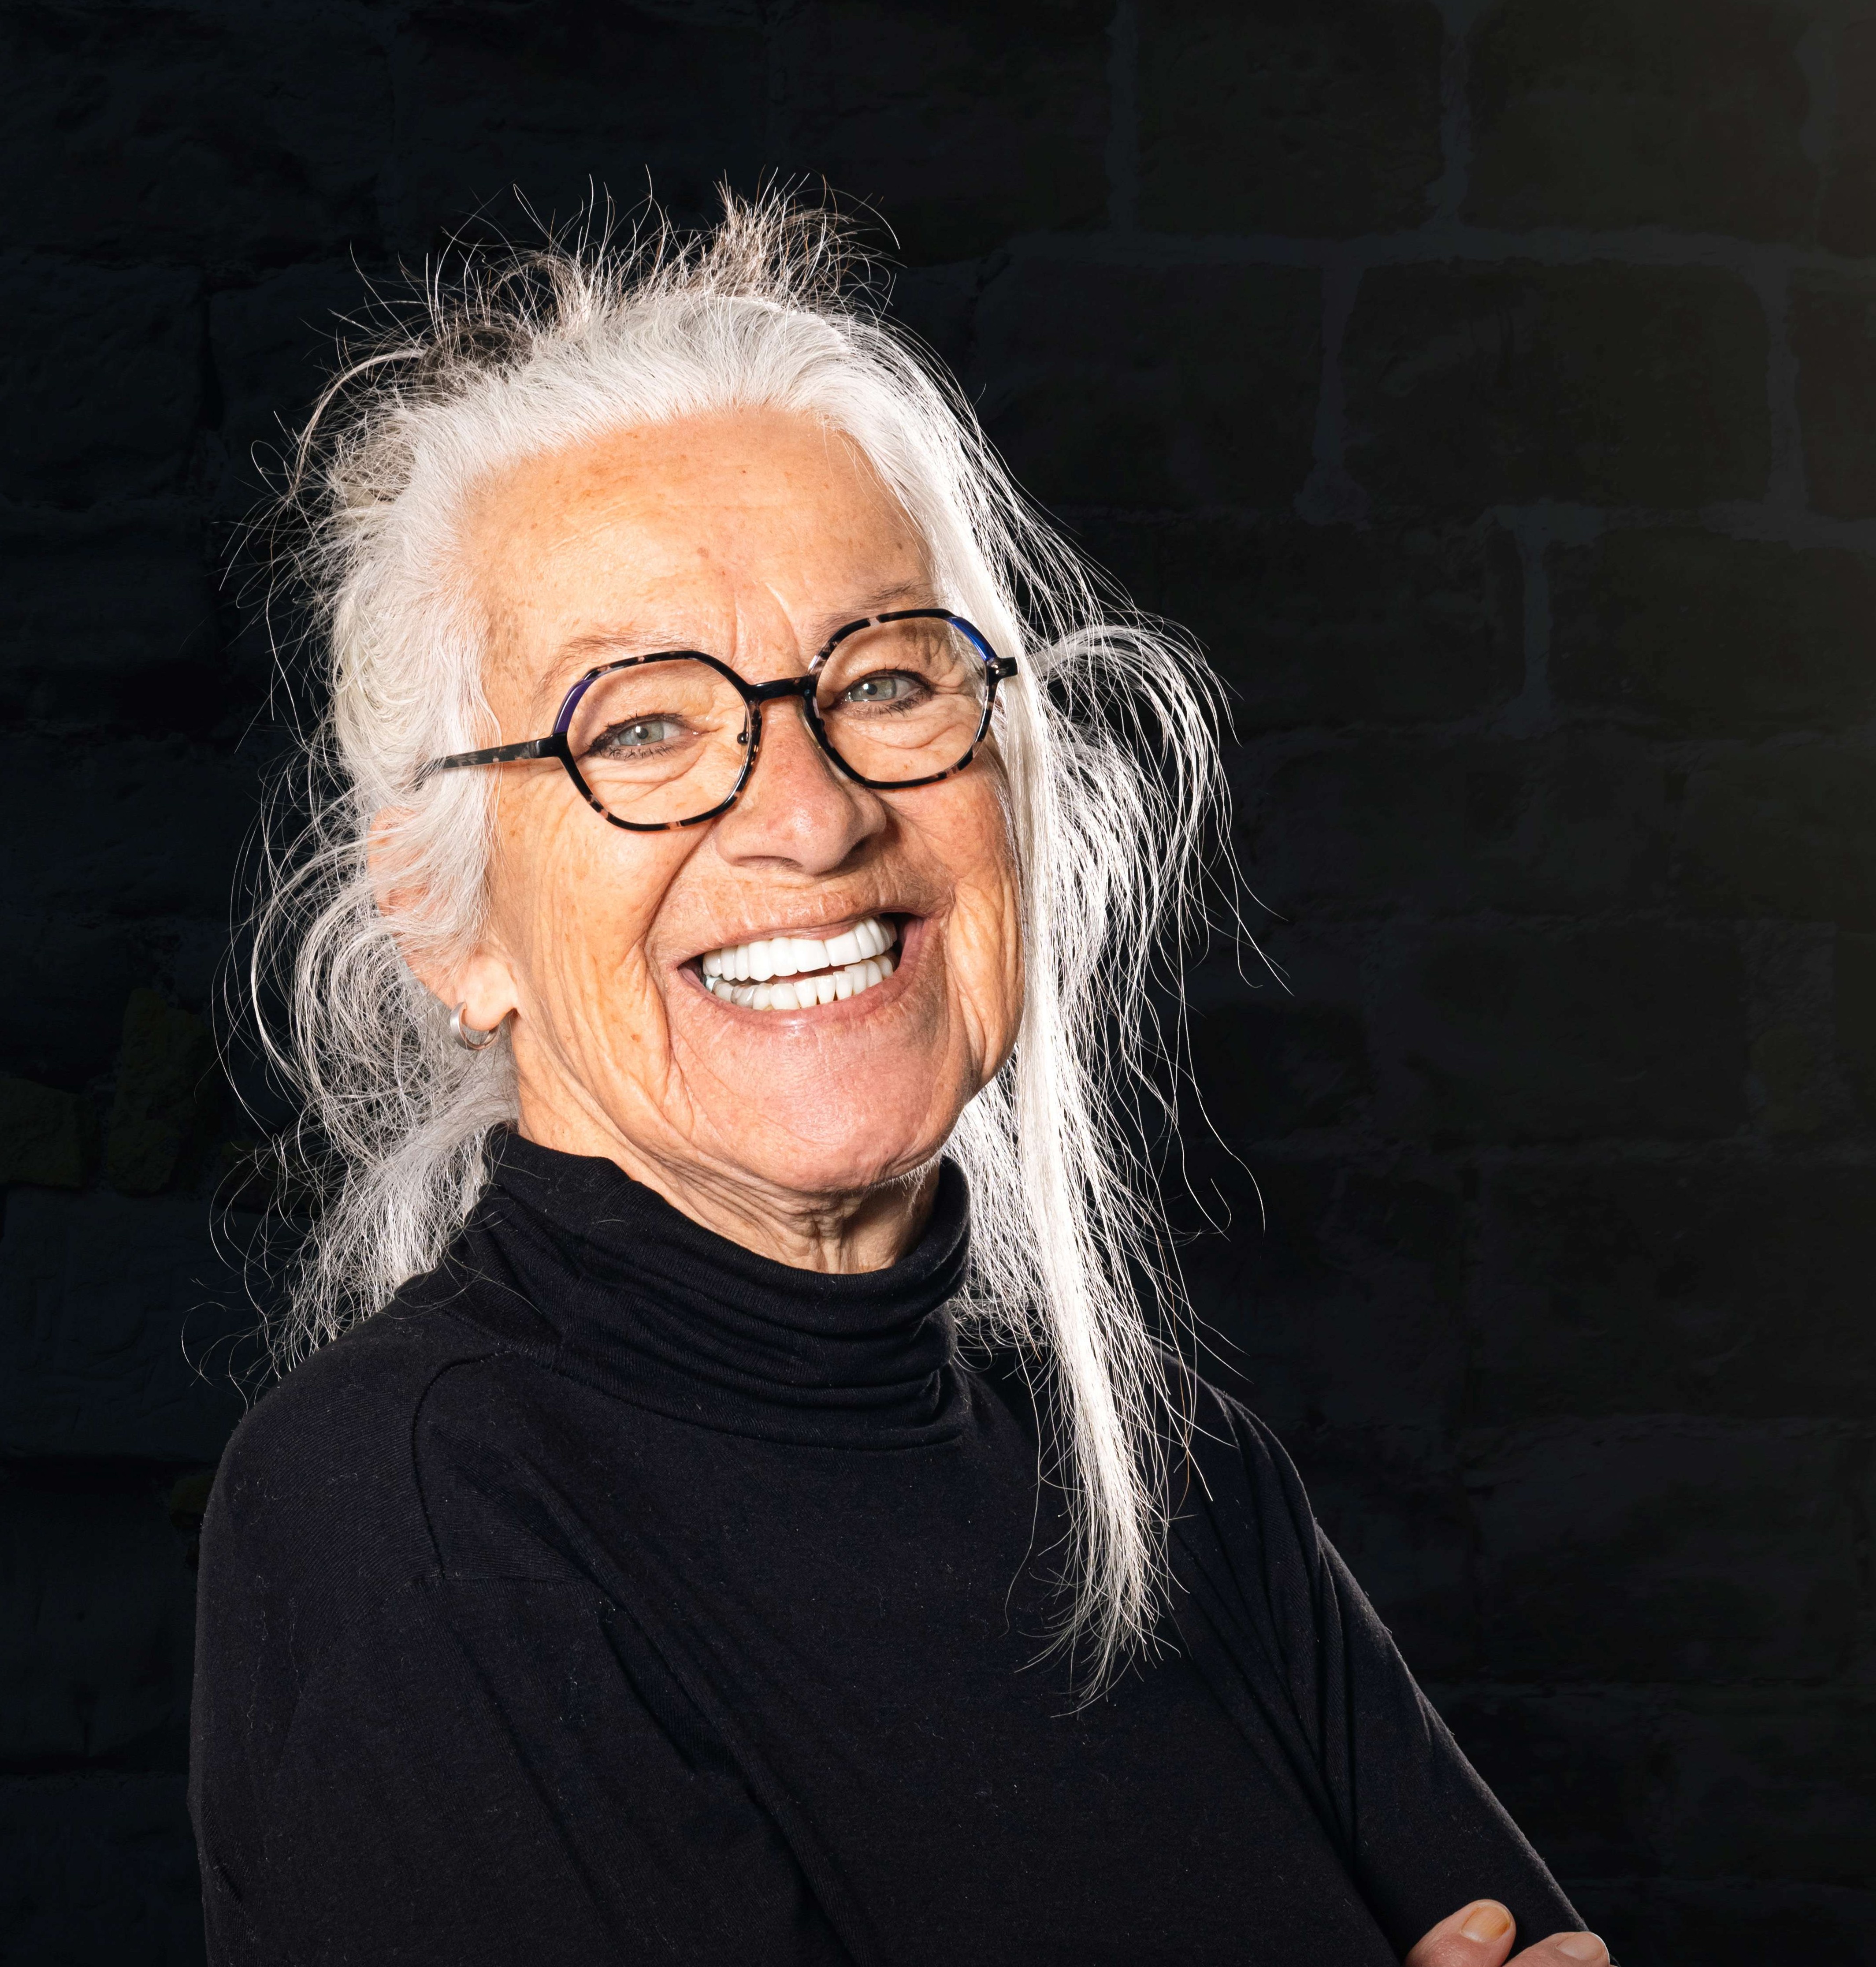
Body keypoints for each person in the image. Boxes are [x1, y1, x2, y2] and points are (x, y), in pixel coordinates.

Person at [189, 197, 1610, 1967]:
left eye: (881, 682)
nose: (810, 816)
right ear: (446, 916)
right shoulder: (409, 1519)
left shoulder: (1170, 1485)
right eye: (641, 727)